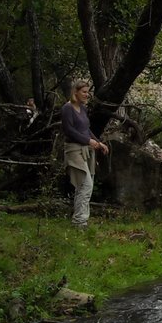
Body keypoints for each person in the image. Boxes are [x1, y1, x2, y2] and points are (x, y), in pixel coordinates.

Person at [60, 80, 109, 229]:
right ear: (76, 92)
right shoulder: (67, 108)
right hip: (74, 150)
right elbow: (69, 131)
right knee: (85, 184)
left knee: (84, 185)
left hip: (86, 149)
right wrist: (88, 141)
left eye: (88, 92)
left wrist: (98, 142)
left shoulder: (83, 108)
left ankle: (80, 221)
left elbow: (86, 129)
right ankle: (80, 221)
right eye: (84, 92)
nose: (87, 95)